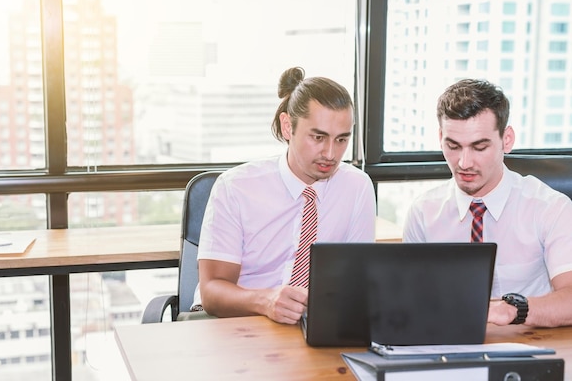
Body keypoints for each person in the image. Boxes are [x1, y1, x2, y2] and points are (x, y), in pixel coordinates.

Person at [192, 67, 377, 324]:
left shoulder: (357, 187)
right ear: (288, 126)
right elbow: (212, 291)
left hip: (312, 326)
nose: (331, 153)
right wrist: (265, 301)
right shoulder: (236, 187)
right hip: (236, 322)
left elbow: (357, 281)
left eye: (342, 140)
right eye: (318, 137)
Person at [403, 79, 572, 327]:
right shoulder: (423, 213)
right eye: (453, 146)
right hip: (448, 346)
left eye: (479, 147)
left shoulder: (550, 208)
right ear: (440, 137)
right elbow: (408, 299)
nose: (464, 162)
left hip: (529, 347)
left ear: (507, 140)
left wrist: (512, 310)